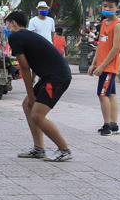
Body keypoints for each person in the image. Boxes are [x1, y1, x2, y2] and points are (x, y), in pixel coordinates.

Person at [4, 9, 73, 162]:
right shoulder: (27, 36)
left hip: (57, 77)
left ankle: (64, 149)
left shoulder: (16, 37)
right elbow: (34, 62)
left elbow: (25, 68)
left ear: (13, 23)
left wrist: (31, 94)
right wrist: (30, 94)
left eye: (6, 24)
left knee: (37, 114)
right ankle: (38, 148)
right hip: (51, 75)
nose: (6, 28)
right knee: (27, 106)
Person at [90, 0, 120, 136]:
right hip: (102, 64)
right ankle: (114, 124)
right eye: (105, 6)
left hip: (109, 66)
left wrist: (103, 66)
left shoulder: (118, 25)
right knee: (111, 94)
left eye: (111, 6)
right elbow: (101, 45)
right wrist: (94, 63)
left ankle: (107, 125)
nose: (107, 8)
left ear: (117, 8)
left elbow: (115, 48)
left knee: (102, 94)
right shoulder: (104, 23)